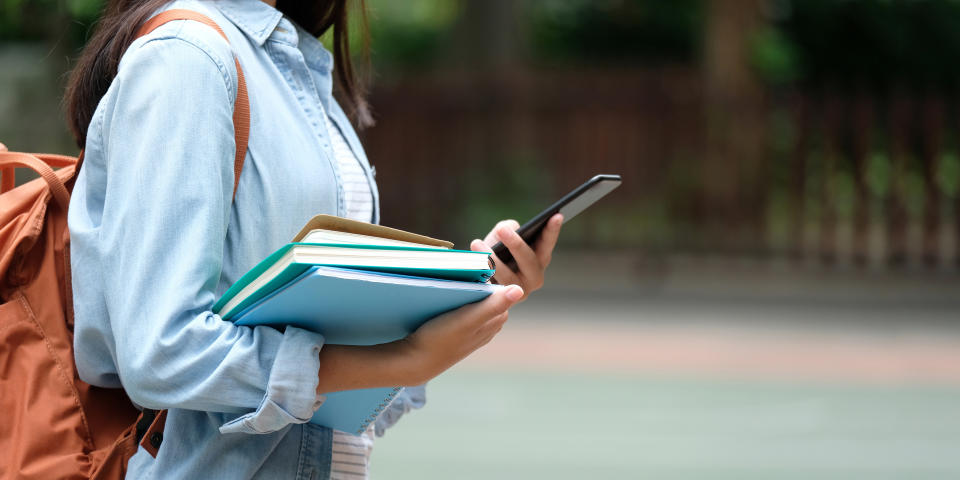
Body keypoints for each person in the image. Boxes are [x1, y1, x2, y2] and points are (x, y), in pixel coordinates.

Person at [64, 0, 563, 478]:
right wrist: (402, 359)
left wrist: (471, 294)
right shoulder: (188, 56)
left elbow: (330, 408)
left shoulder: (287, 63)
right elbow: (162, 352)